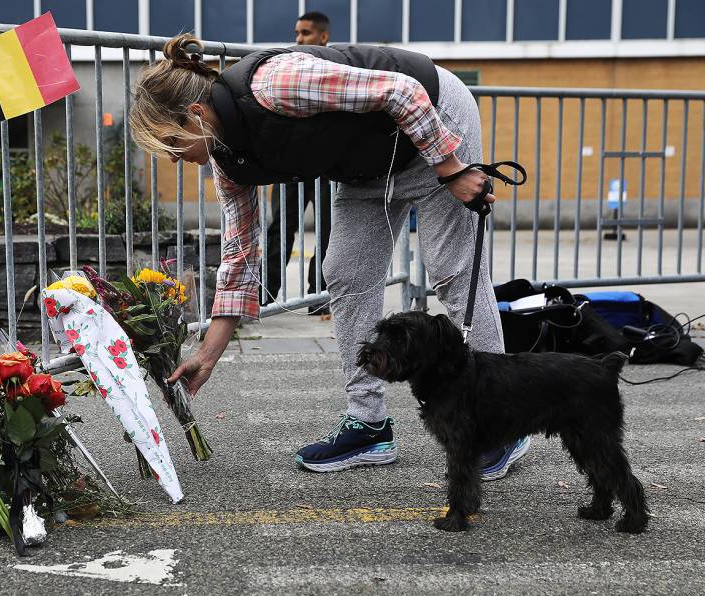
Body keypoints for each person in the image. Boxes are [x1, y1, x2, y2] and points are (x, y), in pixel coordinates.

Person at [128, 34, 530, 480]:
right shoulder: (228, 162)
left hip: (434, 124)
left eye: (171, 146)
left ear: (195, 116)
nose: (172, 161)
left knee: (451, 268)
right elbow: (240, 252)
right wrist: (207, 354)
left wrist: (451, 168)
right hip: (368, 162)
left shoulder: (275, 85)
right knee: (344, 269)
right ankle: (369, 425)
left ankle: (500, 423)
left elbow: (403, 93)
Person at [263, 11, 333, 316]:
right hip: (291, 163)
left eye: (305, 33)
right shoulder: (289, 65)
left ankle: (318, 294)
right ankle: (265, 294)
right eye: (297, 33)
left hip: (327, 166)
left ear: (323, 37)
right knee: (280, 227)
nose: (299, 39)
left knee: (329, 230)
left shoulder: (334, 66)